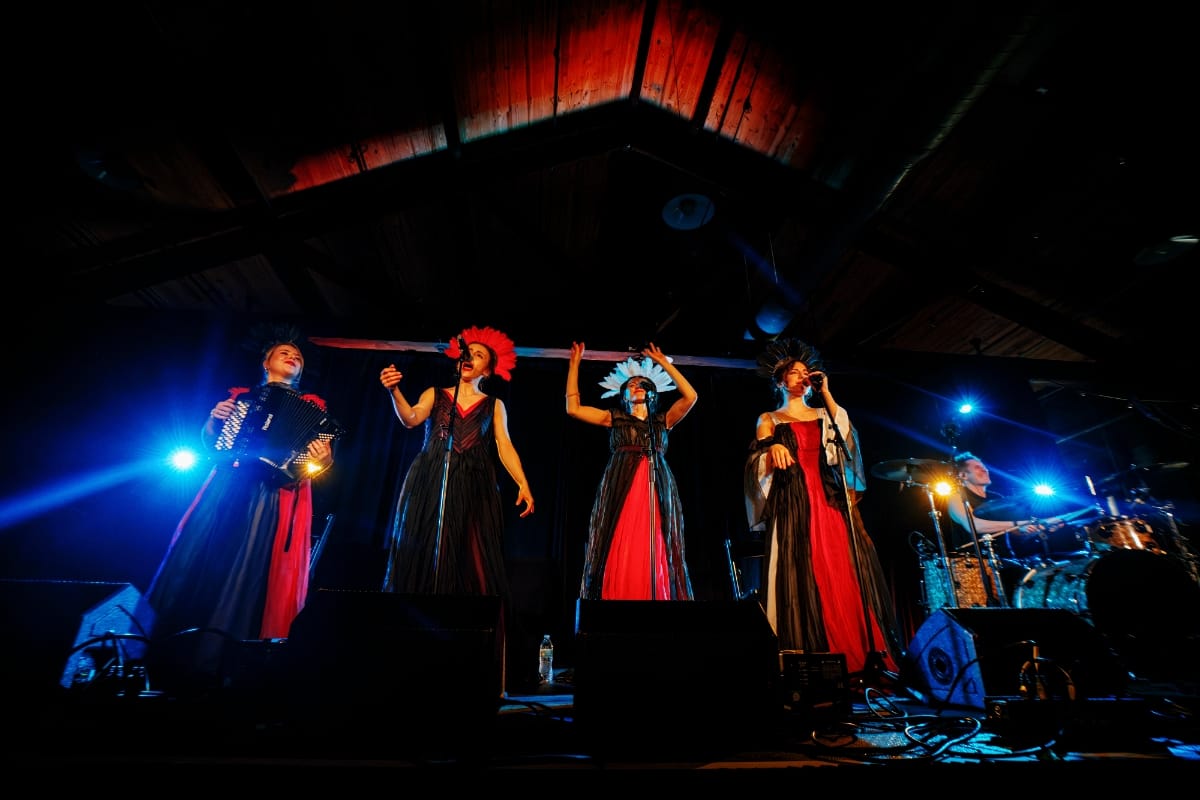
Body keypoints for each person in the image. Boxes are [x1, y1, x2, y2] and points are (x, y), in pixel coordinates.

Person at [146, 325, 338, 681]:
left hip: (274, 493)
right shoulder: (241, 398)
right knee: (202, 555)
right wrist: (211, 420)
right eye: (284, 352)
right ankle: (170, 651)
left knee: (252, 567)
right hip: (230, 484)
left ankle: (227, 661)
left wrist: (321, 455)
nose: (293, 357)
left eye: (298, 356)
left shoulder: (314, 409)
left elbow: (317, 465)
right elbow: (211, 447)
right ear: (266, 362)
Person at [379, 325, 534, 688]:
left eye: (479, 355)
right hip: (433, 476)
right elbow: (411, 418)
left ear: (488, 370)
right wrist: (394, 391)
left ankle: (473, 656)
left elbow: (504, 446)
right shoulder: (436, 393)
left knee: (472, 557)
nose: (470, 358)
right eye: (468, 353)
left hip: (475, 481)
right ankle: (413, 654)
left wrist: (523, 482)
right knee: (425, 552)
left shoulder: (495, 405)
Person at [743, 338, 903, 677]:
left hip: (828, 498)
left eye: (806, 373)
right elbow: (759, 449)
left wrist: (826, 392)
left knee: (842, 565)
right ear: (780, 381)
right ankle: (810, 661)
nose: (802, 377)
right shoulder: (770, 417)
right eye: (795, 373)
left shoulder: (823, 412)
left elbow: (844, 440)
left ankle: (860, 653)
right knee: (799, 568)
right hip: (794, 501)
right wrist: (771, 450)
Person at [566, 342, 697, 600]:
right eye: (632, 384)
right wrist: (574, 367)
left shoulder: (663, 420)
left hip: (656, 482)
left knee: (655, 538)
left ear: (653, 393)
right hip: (621, 483)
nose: (637, 386)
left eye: (643, 383)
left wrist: (664, 364)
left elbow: (691, 397)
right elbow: (573, 408)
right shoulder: (615, 418)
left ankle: (654, 596)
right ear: (623, 394)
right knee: (621, 538)